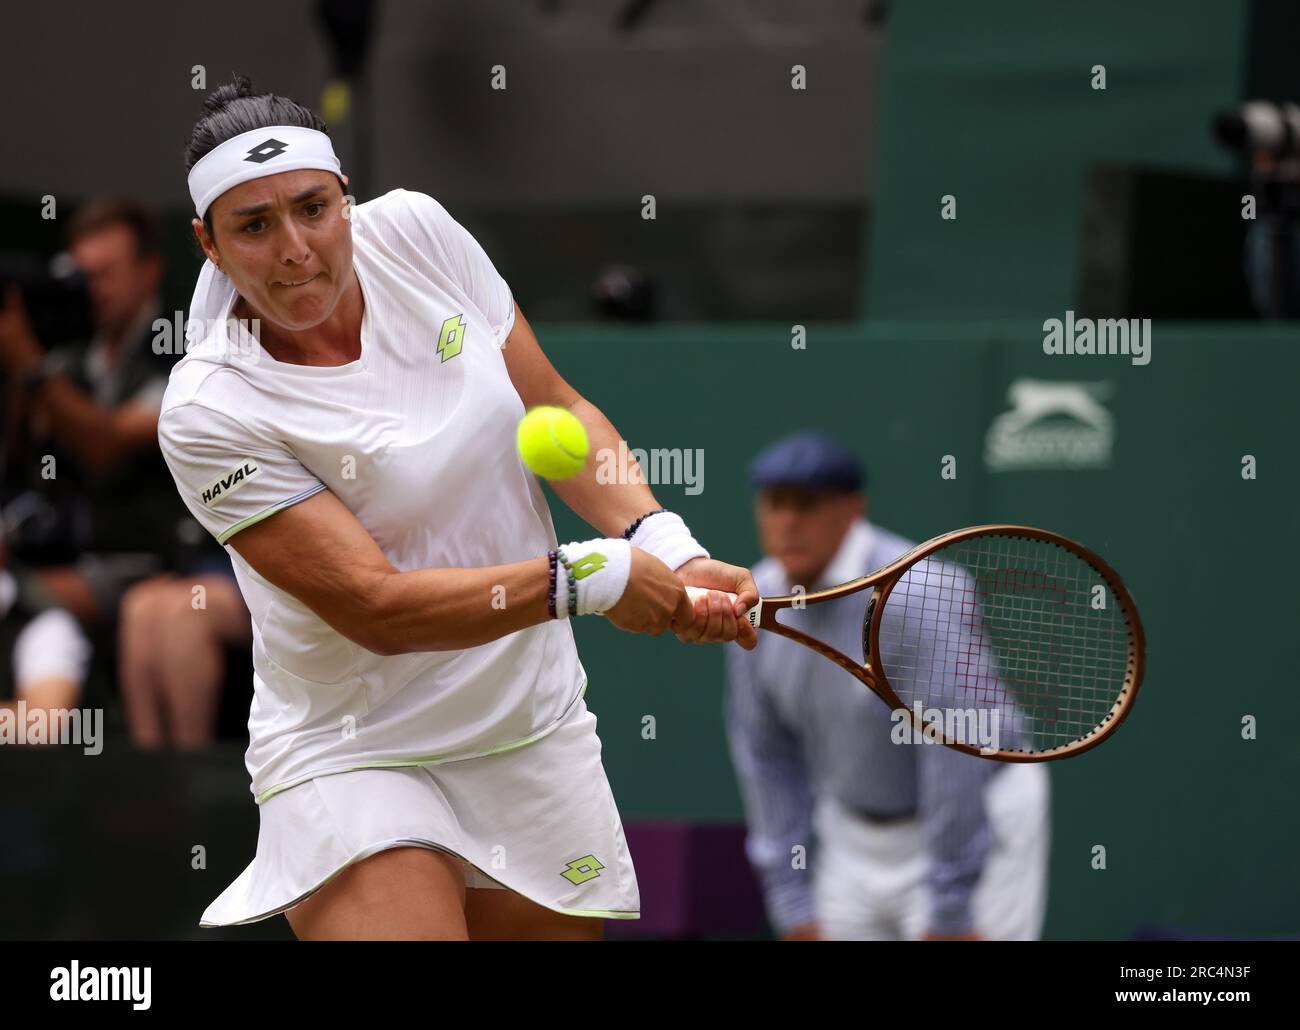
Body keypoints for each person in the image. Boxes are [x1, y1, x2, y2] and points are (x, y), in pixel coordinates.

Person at [159, 75, 759, 941]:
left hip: (526, 728)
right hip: (357, 750)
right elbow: (375, 608)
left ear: (346, 200)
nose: (295, 248)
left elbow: (558, 408)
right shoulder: (210, 408)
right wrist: (598, 575)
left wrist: (666, 541)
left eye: (313, 208)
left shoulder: (420, 235)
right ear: (207, 244)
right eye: (254, 225)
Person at [724, 431, 1050, 941]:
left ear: (852, 509)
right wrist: (790, 897)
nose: (787, 522)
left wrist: (950, 907)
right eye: (774, 504)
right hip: (852, 834)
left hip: (974, 823)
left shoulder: (918, 596)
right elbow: (765, 753)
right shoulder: (755, 601)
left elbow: (955, 751)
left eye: (806, 504)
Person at [0, 199, 188, 628]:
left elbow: (105, 447)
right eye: (82, 277)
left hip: (149, 561)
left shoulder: (179, 347)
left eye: (106, 275)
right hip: (64, 552)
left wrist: (29, 364)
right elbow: (21, 458)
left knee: (21, 600)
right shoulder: (73, 355)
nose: (93, 290)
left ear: (149, 270)